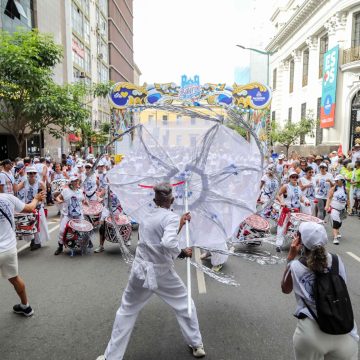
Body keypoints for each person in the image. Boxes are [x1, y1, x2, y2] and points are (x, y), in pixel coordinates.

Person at [97, 183, 205, 360]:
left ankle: (111, 357)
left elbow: (157, 239)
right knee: (186, 304)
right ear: (172, 200)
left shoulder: (147, 216)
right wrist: (182, 253)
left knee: (126, 311)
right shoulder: (170, 217)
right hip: (162, 272)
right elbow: (168, 243)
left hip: (141, 270)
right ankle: (196, 344)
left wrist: (180, 223)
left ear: (155, 200)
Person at [281, 222, 358, 360]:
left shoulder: (295, 266)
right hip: (343, 329)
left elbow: (285, 289)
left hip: (311, 333)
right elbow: (342, 287)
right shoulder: (336, 260)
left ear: (300, 241)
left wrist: (291, 257)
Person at [0, 190, 45, 316]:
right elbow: (30, 208)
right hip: (9, 248)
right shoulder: (8, 197)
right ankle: (26, 306)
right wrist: (36, 198)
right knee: (14, 278)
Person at [275, 170, 310, 252]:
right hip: (286, 210)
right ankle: (278, 244)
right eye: (293, 177)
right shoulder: (285, 186)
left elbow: (300, 198)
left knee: (296, 227)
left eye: (296, 177)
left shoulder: (298, 188)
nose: (295, 178)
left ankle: (297, 244)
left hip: (296, 211)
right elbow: (277, 195)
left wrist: (305, 201)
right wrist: (282, 202)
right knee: (282, 226)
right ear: (289, 178)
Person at [17, 166, 50, 250]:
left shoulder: (40, 183)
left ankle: (37, 242)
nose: (32, 174)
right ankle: (33, 240)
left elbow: (43, 196)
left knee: (38, 224)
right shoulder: (24, 182)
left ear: (36, 174)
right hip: (28, 207)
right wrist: (16, 177)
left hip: (37, 207)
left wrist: (39, 204)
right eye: (30, 173)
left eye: (34, 173)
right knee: (29, 225)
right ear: (27, 174)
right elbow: (16, 189)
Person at [54, 176, 88, 255]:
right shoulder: (65, 191)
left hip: (79, 215)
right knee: (62, 231)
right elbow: (58, 197)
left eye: (77, 181)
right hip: (68, 215)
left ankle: (84, 245)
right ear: (71, 182)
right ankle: (60, 246)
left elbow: (83, 200)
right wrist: (59, 200)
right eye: (74, 181)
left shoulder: (80, 191)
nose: (76, 182)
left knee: (83, 230)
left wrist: (86, 202)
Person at [325, 174, 348, 245]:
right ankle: (335, 238)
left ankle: (337, 231)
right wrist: (327, 206)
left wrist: (349, 207)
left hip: (342, 209)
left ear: (342, 181)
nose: (336, 182)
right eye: (335, 180)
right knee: (336, 223)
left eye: (337, 180)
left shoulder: (346, 189)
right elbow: (329, 198)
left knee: (340, 223)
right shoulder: (333, 189)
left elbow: (348, 199)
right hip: (334, 208)